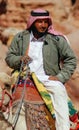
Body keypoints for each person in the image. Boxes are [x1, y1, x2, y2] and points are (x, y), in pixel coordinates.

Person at [5, 8, 77, 130]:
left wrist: (60, 77)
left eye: (45, 22)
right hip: (24, 77)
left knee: (60, 93)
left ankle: (63, 127)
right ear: (33, 22)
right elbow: (9, 58)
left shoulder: (56, 39)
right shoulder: (20, 38)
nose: (43, 25)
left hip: (48, 79)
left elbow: (71, 59)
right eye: (39, 22)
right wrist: (20, 59)